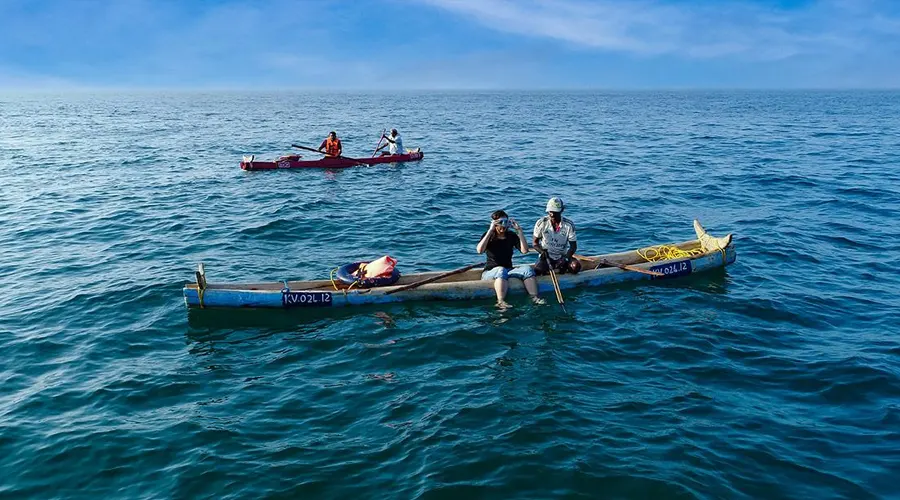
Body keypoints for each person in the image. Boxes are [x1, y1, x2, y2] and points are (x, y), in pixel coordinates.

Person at [476, 210, 543, 307]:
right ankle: (501, 301)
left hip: (508, 270)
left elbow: (524, 251)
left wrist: (519, 231)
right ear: (495, 224)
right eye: (500, 223)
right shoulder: (489, 236)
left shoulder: (511, 236)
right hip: (490, 272)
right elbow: (479, 250)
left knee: (527, 270)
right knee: (501, 270)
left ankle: (534, 297)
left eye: (506, 222)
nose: (503, 226)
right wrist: (490, 231)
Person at [533, 197, 582, 275]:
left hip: (562, 256)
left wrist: (565, 258)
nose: (552, 214)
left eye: (555, 212)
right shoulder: (541, 223)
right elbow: (535, 244)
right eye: (550, 211)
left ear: (562, 210)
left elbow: (573, 247)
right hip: (547, 257)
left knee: (576, 267)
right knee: (537, 270)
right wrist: (542, 252)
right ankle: (558, 270)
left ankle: (561, 269)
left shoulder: (568, 225)